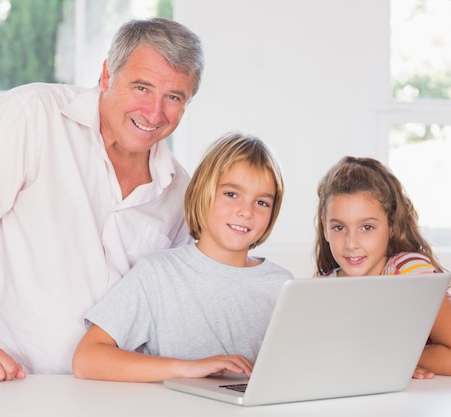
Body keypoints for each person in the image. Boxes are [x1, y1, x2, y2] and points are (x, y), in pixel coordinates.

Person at [0, 18, 204, 382]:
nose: (154, 112)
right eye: (142, 87)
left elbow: (172, 296)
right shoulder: (32, 114)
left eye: (173, 97)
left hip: (111, 392)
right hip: (0, 384)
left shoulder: (179, 189)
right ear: (107, 75)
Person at [71, 132, 293, 382]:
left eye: (262, 202)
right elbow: (87, 359)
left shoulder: (282, 284)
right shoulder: (157, 274)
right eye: (231, 194)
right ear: (202, 191)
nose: (246, 211)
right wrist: (189, 368)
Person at [314, 156, 451, 379]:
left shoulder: (409, 272)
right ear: (325, 228)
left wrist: (388, 358)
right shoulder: (320, 291)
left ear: (391, 225)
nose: (351, 243)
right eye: (339, 227)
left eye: (366, 227)